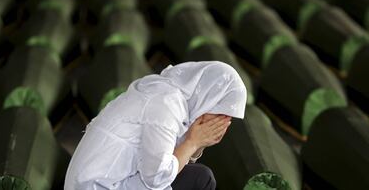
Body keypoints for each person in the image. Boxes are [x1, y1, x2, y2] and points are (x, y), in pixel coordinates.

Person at [64, 60, 248, 190]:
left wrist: (197, 143)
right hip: (98, 186)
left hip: (104, 180)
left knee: (197, 175)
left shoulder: (170, 97)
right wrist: (192, 142)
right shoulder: (166, 104)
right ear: (210, 98)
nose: (223, 121)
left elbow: (168, 158)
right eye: (221, 112)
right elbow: (156, 177)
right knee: (202, 178)